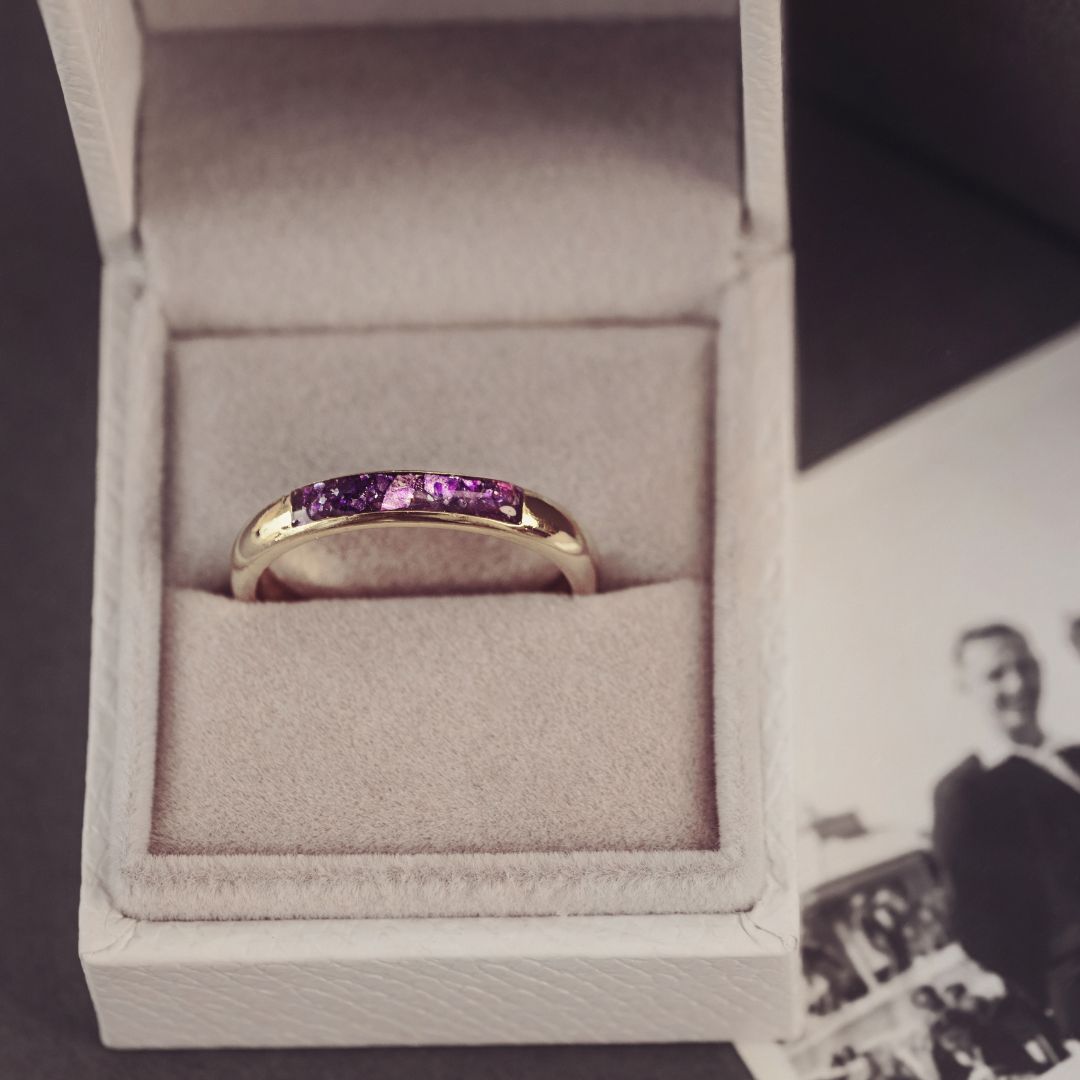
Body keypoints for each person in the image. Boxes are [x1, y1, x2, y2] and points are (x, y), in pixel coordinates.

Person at [933, 623, 1080, 1039]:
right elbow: (978, 926)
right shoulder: (966, 792)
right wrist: (1058, 982)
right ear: (965, 686)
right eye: (996, 674)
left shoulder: (1073, 756)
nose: (1018, 684)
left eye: (1026, 666)